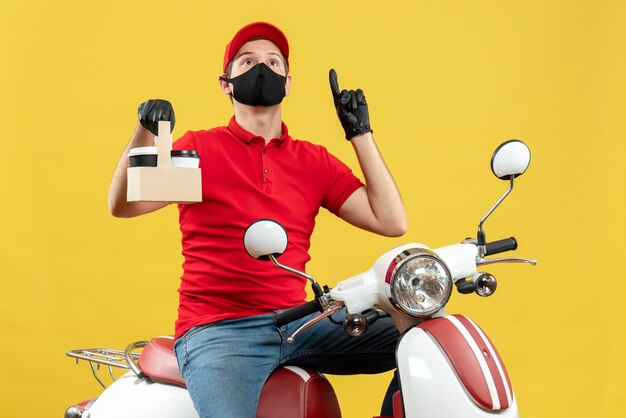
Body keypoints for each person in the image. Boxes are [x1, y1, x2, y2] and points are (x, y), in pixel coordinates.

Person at [108, 21, 407, 418]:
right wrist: (144, 133)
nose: (261, 69)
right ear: (225, 83)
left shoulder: (313, 160)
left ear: (287, 82)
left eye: (272, 62)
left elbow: (390, 221)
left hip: (299, 321)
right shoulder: (200, 149)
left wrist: (360, 133)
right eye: (247, 62)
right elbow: (124, 205)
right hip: (219, 330)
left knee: (424, 336)